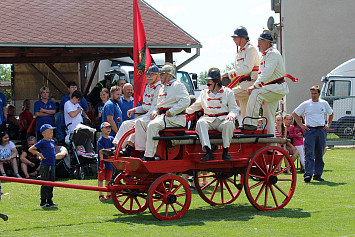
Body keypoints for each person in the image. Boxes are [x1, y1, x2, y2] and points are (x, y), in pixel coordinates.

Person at [136, 63, 190, 161]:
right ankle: (141, 151)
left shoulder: (177, 85)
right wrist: (155, 111)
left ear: (170, 75)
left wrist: (172, 111)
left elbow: (186, 101)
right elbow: (159, 104)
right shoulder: (163, 87)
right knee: (140, 122)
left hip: (175, 118)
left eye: (162, 74)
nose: (160, 76)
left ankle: (149, 156)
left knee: (152, 125)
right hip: (163, 117)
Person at [186, 68, 238, 161]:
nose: (207, 84)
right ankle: (208, 152)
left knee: (229, 123)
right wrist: (185, 112)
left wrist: (231, 115)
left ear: (217, 82)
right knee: (201, 123)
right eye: (207, 82)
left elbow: (234, 109)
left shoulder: (228, 92)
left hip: (223, 119)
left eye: (209, 82)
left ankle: (226, 151)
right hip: (208, 119)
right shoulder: (204, 93)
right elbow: (196, 106)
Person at [244, 30, 289, 135]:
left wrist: (254, 86)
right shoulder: (265, 56)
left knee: (256, 93)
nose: (258, 45)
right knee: (268, 118)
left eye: (260, 42)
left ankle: (251, 122)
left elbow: (267, 73)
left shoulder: (273, 54)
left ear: (267, 43)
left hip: (276, 87)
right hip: (272, 88)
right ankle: (271, 144)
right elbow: (261, 74)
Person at [113, 65, 162, 155]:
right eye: (148, 74)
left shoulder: (159, 88)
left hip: (156, 116)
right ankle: (118, 148)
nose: (149, 76)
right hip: (147, 115)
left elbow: (155, 107)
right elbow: (145, 106)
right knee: (125, 123)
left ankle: (141, 150)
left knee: (138, 123)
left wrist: (146, 112)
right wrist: (134, 109)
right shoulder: (148, 87)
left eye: (152, 74)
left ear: (158, 76)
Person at [292, 85, 333, 183]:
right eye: (312, 93)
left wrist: (328, 124)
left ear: (319, 94)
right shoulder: (306, 104)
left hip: (321, 130)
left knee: (319, 153)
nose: (313, 95)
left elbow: (331, 113)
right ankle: (308, 174)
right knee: (309, 152)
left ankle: (317, 174)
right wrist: (301, 125)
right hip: (310, 130)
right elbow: (295, 113)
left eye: (315, 93)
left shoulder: (324, 103)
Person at [221, 26, 260, 118]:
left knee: (226, 94)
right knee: (246, 114)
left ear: (243, 38)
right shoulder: (239, 52)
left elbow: (246, 68)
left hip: (251, 83)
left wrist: (226, 74)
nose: (234, 39)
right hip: (243, 84)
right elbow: (238, 70)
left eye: (236, 37)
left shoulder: (251, 49)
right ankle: (246, 127)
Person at [28, 124, 57, 207]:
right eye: (49, 132)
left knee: (52, 182)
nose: (52, 133)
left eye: (52, 131)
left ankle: (50, 200)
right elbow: (31, 149)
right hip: (45, 164)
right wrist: (39, 154)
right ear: (43, 133)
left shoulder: (52, 141)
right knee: (45, 182)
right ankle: (43, 201)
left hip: (52, 164)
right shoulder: (42, 142)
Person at [97, 122, 114, 200]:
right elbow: (101, 152)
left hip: (110, 162)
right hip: (103, 162)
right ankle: (101, 194)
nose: (108, 129)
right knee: (101, 179)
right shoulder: (100, 140)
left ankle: (108, 193)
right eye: (106, 128)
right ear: (102, 129)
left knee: (108, 179)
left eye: (109, 128)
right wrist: (101, 162)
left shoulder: (112, 139)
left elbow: (114, 150)